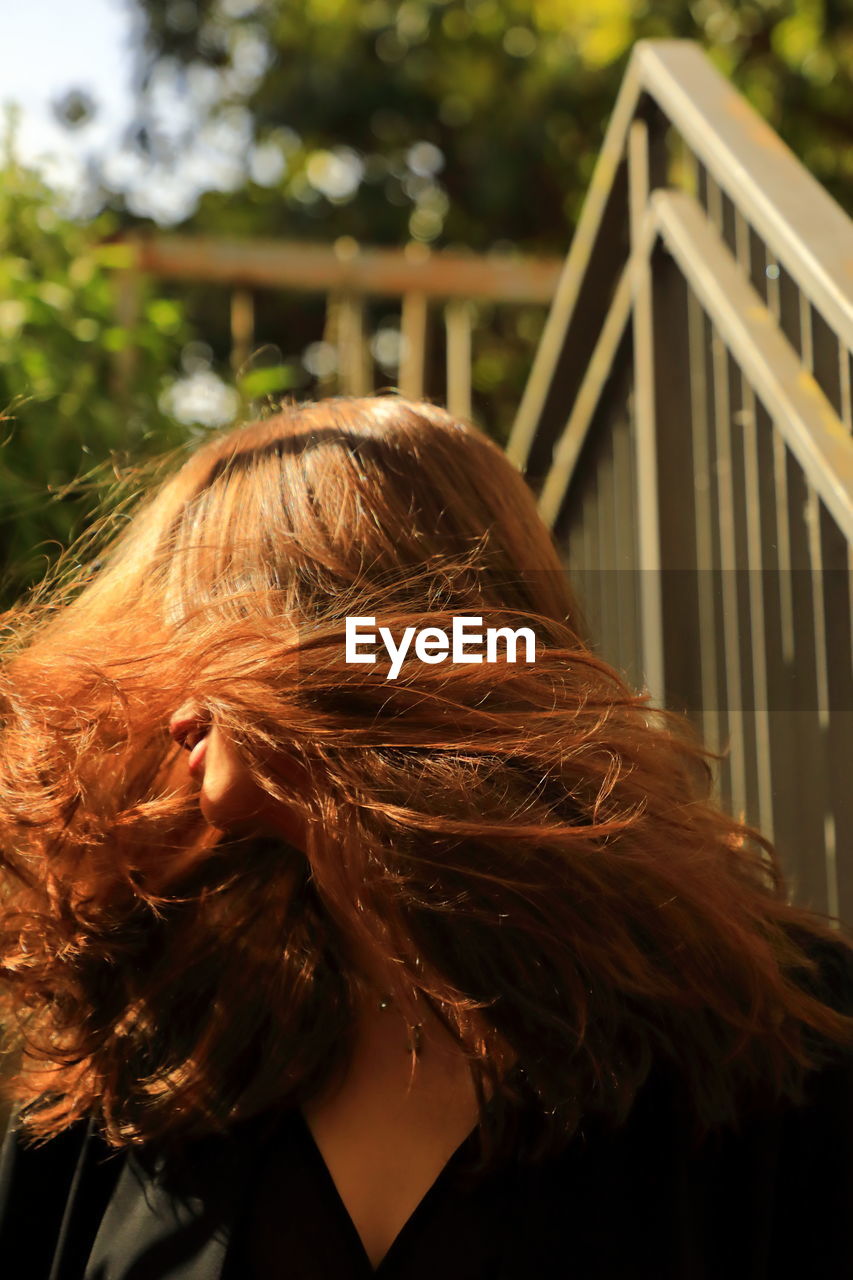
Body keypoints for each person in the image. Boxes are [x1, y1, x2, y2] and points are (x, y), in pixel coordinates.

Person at [0, 394, 851, 1280]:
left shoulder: (768, 1041)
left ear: (383, 647)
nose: (177, 704)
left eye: (215, 640)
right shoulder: (137, 1052)